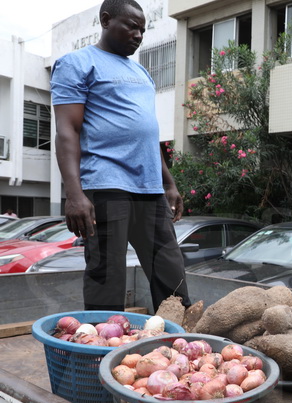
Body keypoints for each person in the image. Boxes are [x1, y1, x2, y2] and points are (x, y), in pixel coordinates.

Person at [51, 0, 191, 312]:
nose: (139, 34)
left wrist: (169, 183)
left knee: (172, 276)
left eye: (143, 29)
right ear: (105, 20)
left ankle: (182, 348)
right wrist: (74, 194)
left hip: (150, 188)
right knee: (107, 277)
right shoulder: (77, 63)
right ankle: (102, 352)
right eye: (131, 26)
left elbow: (147, 133)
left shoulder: (141, 72)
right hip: (105, 183)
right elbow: (67, 131)